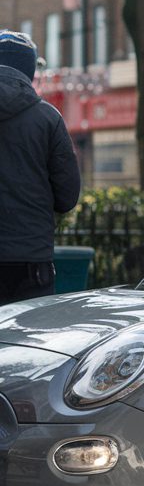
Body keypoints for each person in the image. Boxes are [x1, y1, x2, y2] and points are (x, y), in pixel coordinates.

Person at [0, 29, 81, 305]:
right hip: (30, 258)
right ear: (30, 69)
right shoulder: (48, 119)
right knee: (28, 345)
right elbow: (68, 196)